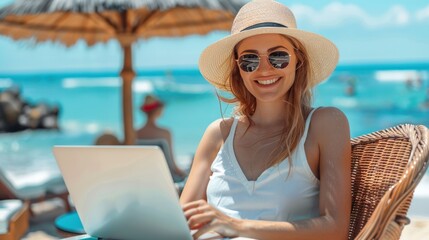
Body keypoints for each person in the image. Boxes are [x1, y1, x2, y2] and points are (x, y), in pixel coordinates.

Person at [180, 1, 351, 239]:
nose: (264, 69)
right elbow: (179, 222)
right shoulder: (219, 134)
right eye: (249, 60)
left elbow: (335, 229)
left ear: (298, 60)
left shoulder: (325, 124)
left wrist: (236, 225)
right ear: (238, 68)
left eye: (278, 56)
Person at [135, 94, 187, 182]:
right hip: (164, 179)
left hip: (143, 177)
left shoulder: (135, 133)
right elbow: (173, 166)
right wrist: (185, 174)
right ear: (158, 111)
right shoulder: (165, 133)